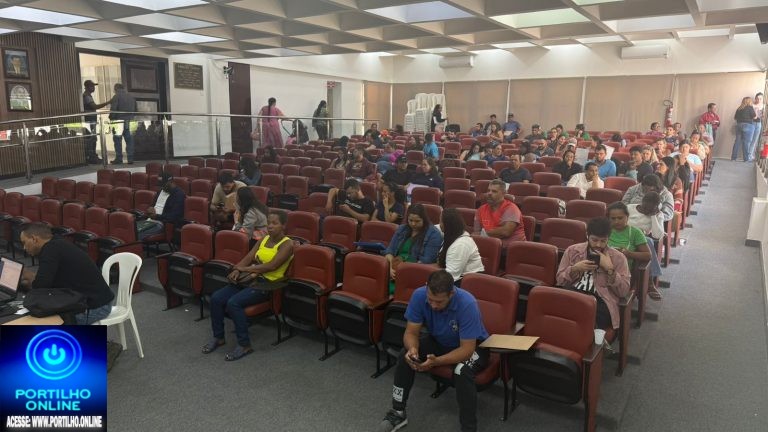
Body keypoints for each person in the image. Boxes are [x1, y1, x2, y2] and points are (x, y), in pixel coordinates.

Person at [377, 270, 489, 432]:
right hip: (440, 341)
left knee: (461, 370)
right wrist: (413, 349)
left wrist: (437, 361)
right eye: (430, 300)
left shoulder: (467, 304)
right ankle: (398, 412)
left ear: (451, 294)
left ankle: (469, 428)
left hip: (475, 346)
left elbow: (466, 350)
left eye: (439, 301)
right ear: (426, 287)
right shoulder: (419, 295)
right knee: (405, 356)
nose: (434, 305)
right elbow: (411, 333)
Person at [202, 210, 294, 361]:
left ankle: (244, 344)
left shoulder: (287, 244)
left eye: (275, 223)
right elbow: (249, 257)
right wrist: (237, 269)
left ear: (283, 225)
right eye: (268, 223)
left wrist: (244, 269)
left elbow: (272, 266)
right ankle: (218, 337)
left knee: (234, 303)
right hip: (250, 278)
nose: (270, 226)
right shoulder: (264, 239)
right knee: (216, 298)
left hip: (267, 284)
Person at [19, 223, 115, 325]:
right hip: (93, 300)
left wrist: (29, 277)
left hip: (95, 307)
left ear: (34, 239)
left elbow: (40, 287)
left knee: (40, 324)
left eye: (24, 242)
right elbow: (46, 281)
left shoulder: (50, 250)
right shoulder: (56, 243)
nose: (24, 247)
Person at [555, 217, 631, 330]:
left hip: (602, 300)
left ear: (608, 239)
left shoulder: (618, 258)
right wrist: (574, 269)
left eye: (603, 241)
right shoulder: (572, 251)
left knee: (584, 317)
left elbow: (623, 292)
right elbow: (559, 281)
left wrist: (610, 269)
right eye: (594, 240)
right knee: (556, 308)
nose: (598, 245)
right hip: (574, 292)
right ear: (587, 236)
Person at [384, 204, 442, 291]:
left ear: (424, 219)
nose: (413, 224)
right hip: (395, 267)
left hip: (414, 271)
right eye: (410, 220)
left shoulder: (433, 234)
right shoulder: (402, 229)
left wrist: (403, 270)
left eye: (417, 221)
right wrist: (390, 267)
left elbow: (426, 260)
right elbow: (390, 251)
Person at [606, 202, 654, 297]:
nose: (616, 221)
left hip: (622, 273)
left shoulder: (635, 232)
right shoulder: (605, 230)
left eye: (620, 218)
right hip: (603, 267)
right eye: (613, 218)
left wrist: (629, 254)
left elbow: (648, 255)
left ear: (627, 217)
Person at [627, 192, 665, 300]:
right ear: (642, 202)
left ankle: (649, 282)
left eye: (650, 209)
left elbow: (657, 235)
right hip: (625, 235)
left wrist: (653, 216)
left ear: (656, 207)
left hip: (640, 242)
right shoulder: (630, 208)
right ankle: (650, 282)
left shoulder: (658, 215)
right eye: (645, 207)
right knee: (648, 241)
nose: (646, 211)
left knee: (648, 240)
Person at [474, 179, 527, 247]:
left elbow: (506, 232)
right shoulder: (480, 209)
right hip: (490, 246)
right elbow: (476, 232)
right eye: (488, 190)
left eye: (494, 191)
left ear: (503, 193)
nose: (489, 193)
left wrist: (484, 233)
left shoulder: (511, 208)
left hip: (512, 249)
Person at [439, 208, 484, 284]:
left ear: (447, 225)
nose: (439, 224)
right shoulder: (452, 235)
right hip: (457, 276)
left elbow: (451, 275)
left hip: (469, 282)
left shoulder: (461, 245)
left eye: (440, 221)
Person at [138, 172, 185, 240]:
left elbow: (174, 216)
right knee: (133, 228)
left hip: (162, 223)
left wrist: (156, 216)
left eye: (163, 184)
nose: (162, 187)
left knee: (136, 234)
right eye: (160, 185)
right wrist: (150, 208)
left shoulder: (179, 195)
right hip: (150, 220)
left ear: (171, 181)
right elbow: (153, 204)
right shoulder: (161, 191)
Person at [82, 80, 112, 164]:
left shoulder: (88, 96)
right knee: (91, 139)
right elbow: (94, 106)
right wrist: (107, 102)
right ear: (87, 87)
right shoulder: (86, 96)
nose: (94, 88)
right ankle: (91, 157)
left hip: (91, 120)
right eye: (92, 86)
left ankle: (92, 156)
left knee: (92, 138)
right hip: (89, 121)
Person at [109, 83, 137, 165]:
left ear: (116, 89)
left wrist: (111, 119)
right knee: (130, 141)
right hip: (131, 121)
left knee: (117, 140)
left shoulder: (116, 96)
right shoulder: (131, 97)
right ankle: (130, 159)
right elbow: (136, 110)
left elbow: (113, 110)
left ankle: (119, 159)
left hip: (118, 121)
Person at [731, 96, 758, 162]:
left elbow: (735, 118)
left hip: (739, 125)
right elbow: (755, 117)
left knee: (737, 142)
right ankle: (746, 159)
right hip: (748, 125)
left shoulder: (739, 108)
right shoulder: (750, 107)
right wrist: (756, 111)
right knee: (746, 143)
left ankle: (733, 158)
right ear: (749, 101)